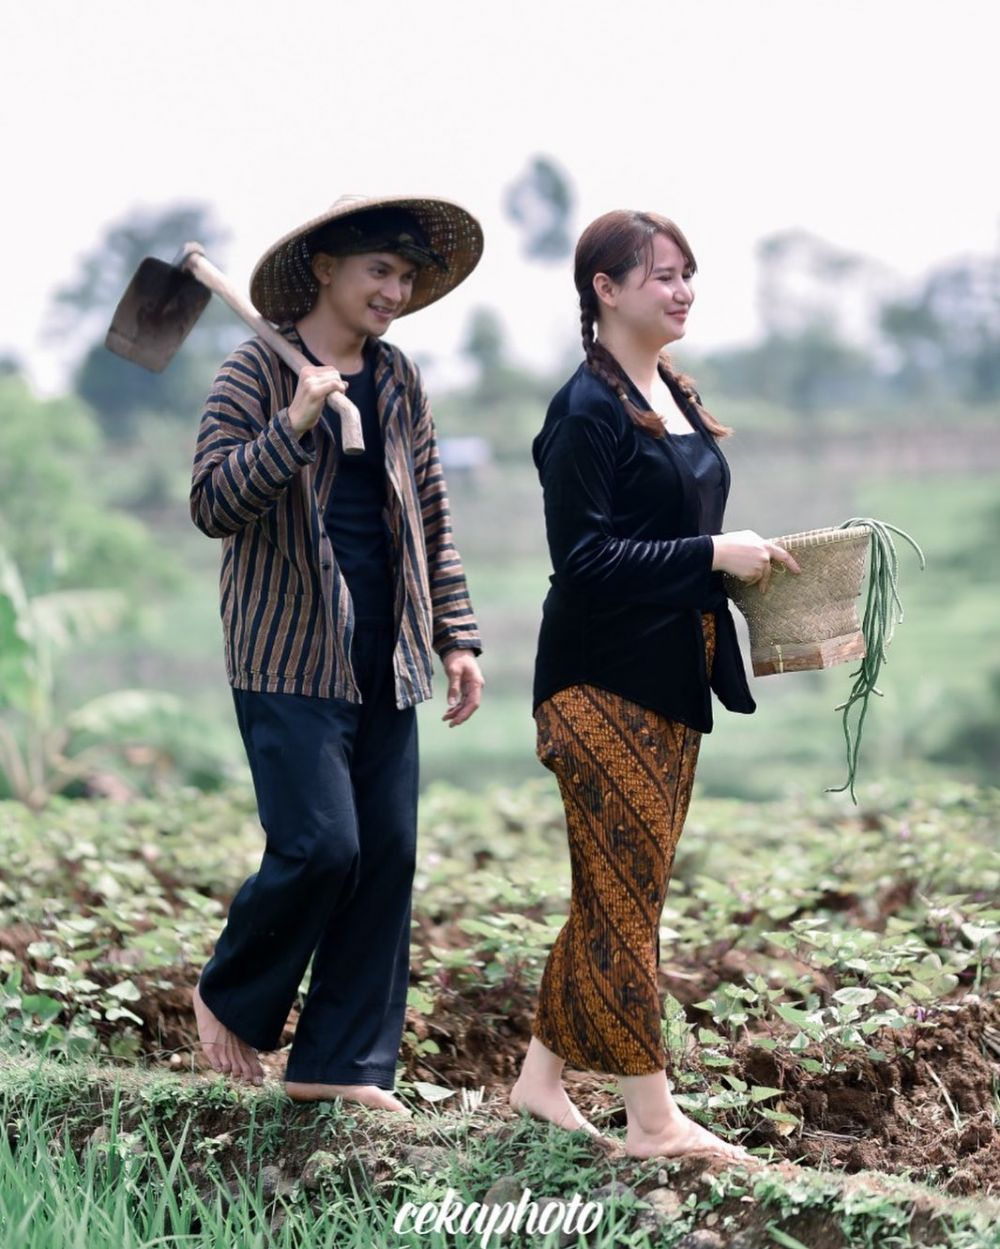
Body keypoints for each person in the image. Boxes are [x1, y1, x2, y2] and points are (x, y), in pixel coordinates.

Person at [509, 209, 800, 1159]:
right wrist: (715, 548)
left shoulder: (668, 389)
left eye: (688, 274)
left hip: (670, 679)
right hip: (600, 685)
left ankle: (538, 1082)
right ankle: (652, 1119)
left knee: (617, 891)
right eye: (661, 275)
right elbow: (583, 558)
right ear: (606, 288)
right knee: (626, 901)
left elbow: (668, 533)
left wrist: (735, 558)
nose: (682, 290)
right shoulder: (585, 409)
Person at [188, 195, 485, 1113]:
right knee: (322, 846)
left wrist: (458, 635)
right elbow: (210, 505)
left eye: (404, 278)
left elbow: (432, 511)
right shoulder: (253, 371)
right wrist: (294, 425)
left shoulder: (398, 380)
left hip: (386, 651)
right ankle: (227, 992)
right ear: (325, 269)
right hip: (288, 656)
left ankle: (340, 1064)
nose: (394, 292)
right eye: (378, 273)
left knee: (386, 852)